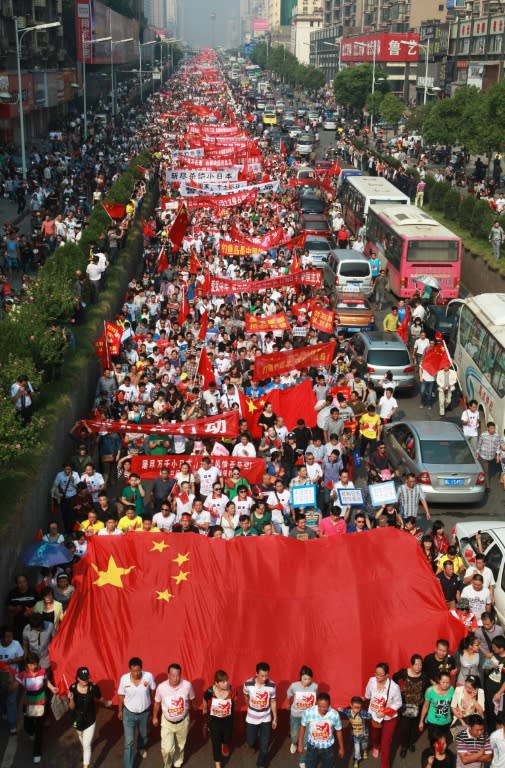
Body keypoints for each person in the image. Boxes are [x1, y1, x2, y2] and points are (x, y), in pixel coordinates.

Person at [153, 662, 196, 768]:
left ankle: (178, 762)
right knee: (167, 749)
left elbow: (192, 699)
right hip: (167, 723)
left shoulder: (187, 685)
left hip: (183, 722)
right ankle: (167, 765)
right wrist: (154, 717)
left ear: (180, 675)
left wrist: (195, 707)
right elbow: (157, 703)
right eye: (173, 675)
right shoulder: (161, 687)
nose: (175, 678)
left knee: (180, 746)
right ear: (168, 675)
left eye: (178, 675)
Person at [17, 651, 58, 764]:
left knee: (39, 730)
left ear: (37, 663)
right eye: (30, 664)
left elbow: (46, 682)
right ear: (26, 665)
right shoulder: (22, 675)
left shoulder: (42, 672)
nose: (32, 666)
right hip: (28, 704)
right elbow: (15, 683)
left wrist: (52, 688)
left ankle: (37, 752)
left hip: (41, 703)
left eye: (34, 664)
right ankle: (31, 733)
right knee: (28, 726)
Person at [68, 666, 112, 768]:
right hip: (77, 719)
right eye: (84, 679)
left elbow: (99, 697)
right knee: (82, 737)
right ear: (78, 678)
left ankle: (86, 765)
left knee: (87, 744)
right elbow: (71, 707)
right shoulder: (72, 688)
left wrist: (106, 702)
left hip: (90, 719)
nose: (86, 680)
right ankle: (85, 750)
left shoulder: (93, 687)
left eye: (87, 677)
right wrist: (71, 699)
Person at [117, 657, 156, 768]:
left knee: (143, 735)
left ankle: (141, 747)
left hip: (145, 713)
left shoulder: (148, 676)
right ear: (130, 670)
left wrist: (153, 704)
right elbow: (121, 695)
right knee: (129, 742)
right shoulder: (124, 679)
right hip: (128, 714)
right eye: (133, 671)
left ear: (141, 669)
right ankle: (128, 766)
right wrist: (120, 710)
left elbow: (153, 689)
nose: (136, 673)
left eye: (138, 670)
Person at [364, 662, 402, 768]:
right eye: (376, 674)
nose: (377, 677)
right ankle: (376, 746)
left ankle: (385, 765)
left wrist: (384, 712)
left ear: (387, 675)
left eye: (380, 675)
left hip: (389, 718)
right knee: (375, 735)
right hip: (374, 715)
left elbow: (398, 703)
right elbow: (367, 695)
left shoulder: (394, 687)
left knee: (386, 744)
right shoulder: (371, 681)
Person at [243, 661, 277, 768]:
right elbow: (245, 695)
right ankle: (253, 744)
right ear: (256, 673)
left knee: (265, 745)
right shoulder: (248, 683)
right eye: (262, 675)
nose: (264, 678)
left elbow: (273, 701)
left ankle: (261, 764)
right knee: (250, 741)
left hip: (266, 717)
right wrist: (249, 706)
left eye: (266, 675)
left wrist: (275, 718)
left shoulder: (271, 685)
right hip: (251, 717)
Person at [298, 692, 344, 768]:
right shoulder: (309, 712)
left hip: (328, 748)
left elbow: (339, 731)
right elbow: (302, 727)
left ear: (329, 704)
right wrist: (300, 744)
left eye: (325, 707)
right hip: (312, 747)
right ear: (316, 703)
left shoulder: (334, 714)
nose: (322, 709)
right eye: (320, 706)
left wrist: (341, 748)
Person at [393, 654, 427, 757]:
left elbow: (428, 686)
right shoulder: (404, 673)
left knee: (414, 727)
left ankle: (411, 743)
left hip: (418, 706)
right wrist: (398, 691)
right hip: (406, 706)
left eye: (420, 665)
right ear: (411, 665)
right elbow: (394, 677)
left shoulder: (424, 675)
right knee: (404, 727)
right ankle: (404, 746)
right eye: (416, 664)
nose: (418, 667)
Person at [202, 669, 234, 768]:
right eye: (223, 682)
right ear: (216, 683)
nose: (226, 683)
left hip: (227, 720)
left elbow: (234, 701)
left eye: (226, 680)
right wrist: (205, 707)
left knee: (227, 738)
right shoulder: (210, 691)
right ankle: (217, 763)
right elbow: (204, 697)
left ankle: (224, 744)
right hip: (214, 720)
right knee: (215, 742)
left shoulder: (231, 689)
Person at [287, 665, 318, 762]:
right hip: (296, 715)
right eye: (305, 679)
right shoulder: (294, 686)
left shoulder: (315, 686)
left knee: (306, 738)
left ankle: (303, 760)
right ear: (300, 677)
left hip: (308, 716)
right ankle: (294, 742)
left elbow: (315, 699)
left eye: (309, 679)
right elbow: (289, 695)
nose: (307, 681)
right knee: (294, 735)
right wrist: (289, 705)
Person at [419, 672, 454, 740]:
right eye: (443, 682)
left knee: (443, 742)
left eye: (448, 682)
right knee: (433, 742)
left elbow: (453, 704)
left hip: (446, 722)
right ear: (439, 680)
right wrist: (421, 721)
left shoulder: (451, 689)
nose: (446, 685)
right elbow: (425, 707)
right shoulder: (430, 691)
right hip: (433, 722)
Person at [339, 696, 371, 768]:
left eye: (359, 708)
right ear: (351, 705)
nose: (357, 710)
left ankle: (365, 750)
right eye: (355, 707)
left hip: (364, 734)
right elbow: (342, 710)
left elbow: (370, 716)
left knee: (364, 746)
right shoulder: (348, 712)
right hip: (356, 735)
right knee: (357, 750)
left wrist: (369, 715)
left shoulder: (362, 713)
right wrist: (337, 708)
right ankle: (356, 760)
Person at [476, 422, 501, 491]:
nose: (493, 430)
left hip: (492, 456)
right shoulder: (483, 435)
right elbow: (479, 444)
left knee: (489, 470)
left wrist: (498, 455)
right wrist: (477, 452)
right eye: (491, 428)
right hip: (483, 456)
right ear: (488, 429)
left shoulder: (497, 435)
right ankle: (487, 486)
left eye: (494, 428)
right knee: (486, 471)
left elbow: (498, 446)